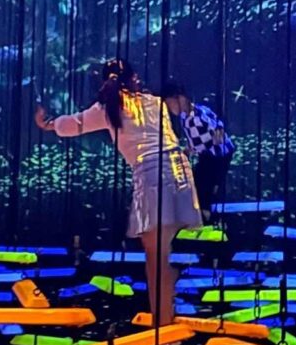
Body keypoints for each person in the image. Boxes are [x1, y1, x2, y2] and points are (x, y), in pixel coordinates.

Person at [35, 59, 201, 330]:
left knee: (155, 258)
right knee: (163, 253)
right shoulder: (153, 102)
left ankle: (163, 329)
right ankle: (167, 317)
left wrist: (48, 124)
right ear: (135, 78)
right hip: (179, 170)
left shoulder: (108, 108)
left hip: (152, 175)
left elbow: (73, 125)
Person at [160, 83, 235, 223]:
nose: (170, 109)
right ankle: (204, 214)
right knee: (200, 185)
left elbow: (214, 132)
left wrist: (192, 149)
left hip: (217, 156)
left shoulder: (198, 116)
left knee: (203, 186)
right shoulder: (185, 117)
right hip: (207, 155)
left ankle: (206, 218)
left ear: (180, 98)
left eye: (170, 104)